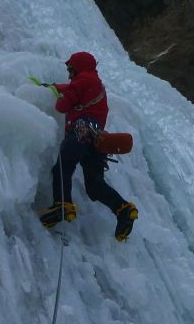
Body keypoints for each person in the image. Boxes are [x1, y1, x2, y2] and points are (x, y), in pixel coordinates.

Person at [38, 52, 138, 241]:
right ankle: (123, 209)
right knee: (94, 185)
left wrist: (57, 95)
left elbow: (62, 106)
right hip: (96, 139)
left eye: (70, 69)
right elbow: (71, 88)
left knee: (63, 166)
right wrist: (54, 87)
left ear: (78, 67)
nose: (69, 73)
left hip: (81, 132)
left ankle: (62, 205)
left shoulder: (82, 80)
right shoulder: (94, 82)